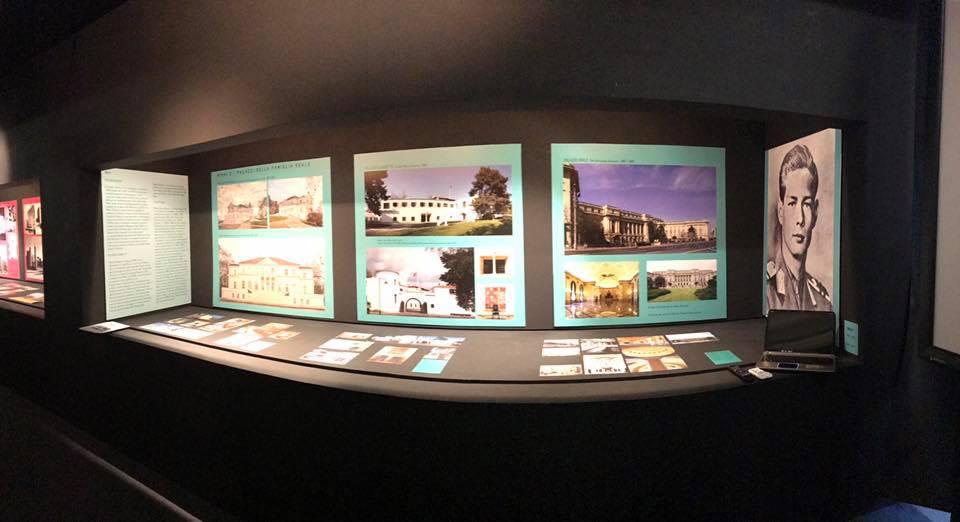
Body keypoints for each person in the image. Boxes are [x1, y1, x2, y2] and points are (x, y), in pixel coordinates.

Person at [767, 144, 832, 311]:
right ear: (780, 212)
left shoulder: (822, 301)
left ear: (815, 213)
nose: (800, 219)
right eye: (792, 203)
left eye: (807, 204)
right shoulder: (766, 292)